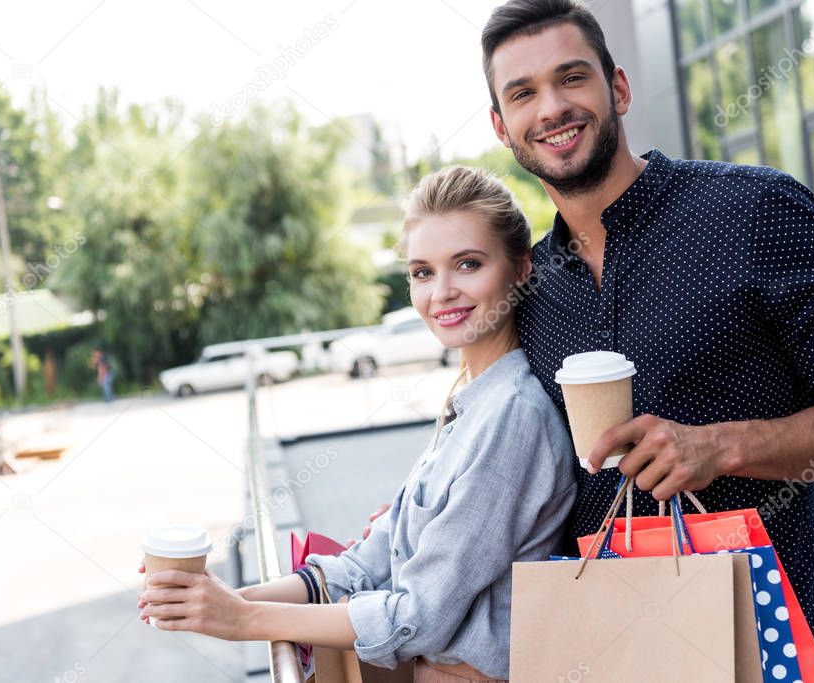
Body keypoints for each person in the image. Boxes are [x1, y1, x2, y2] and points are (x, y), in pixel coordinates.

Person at [471, 1, 814, 679]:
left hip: (769, 638)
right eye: (523, 93)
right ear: (502, 126)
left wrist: (717, 446)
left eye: (571, 78)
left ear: (616, 87)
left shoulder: (756, 210)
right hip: (613, 649)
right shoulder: (528, 289)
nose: (551, 107)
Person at [137, 167, 577, 681]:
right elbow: (364, 566)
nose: (442, 292)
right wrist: (215, 599)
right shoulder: (472, 400)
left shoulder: (513, 417)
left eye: (468, 264)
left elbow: (418, 618)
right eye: (422, 272)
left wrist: (241, 619)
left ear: (521, 268)